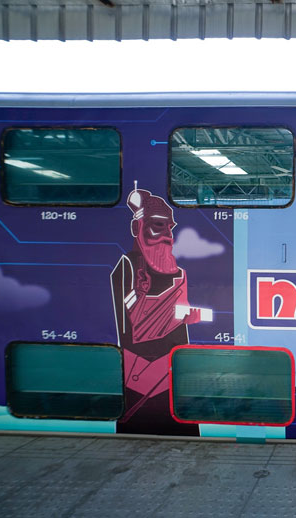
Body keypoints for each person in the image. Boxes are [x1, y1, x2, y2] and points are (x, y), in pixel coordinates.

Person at [110, 186, 201, 436]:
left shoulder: (178, 273)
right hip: (140, 379)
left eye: (170, 227)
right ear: (137, 228)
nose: (168, 235)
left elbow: (179, 315)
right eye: (158, 226)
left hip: (175, 376)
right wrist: (178, 315)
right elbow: (138, 327)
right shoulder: (128, 267)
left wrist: (186, 315)